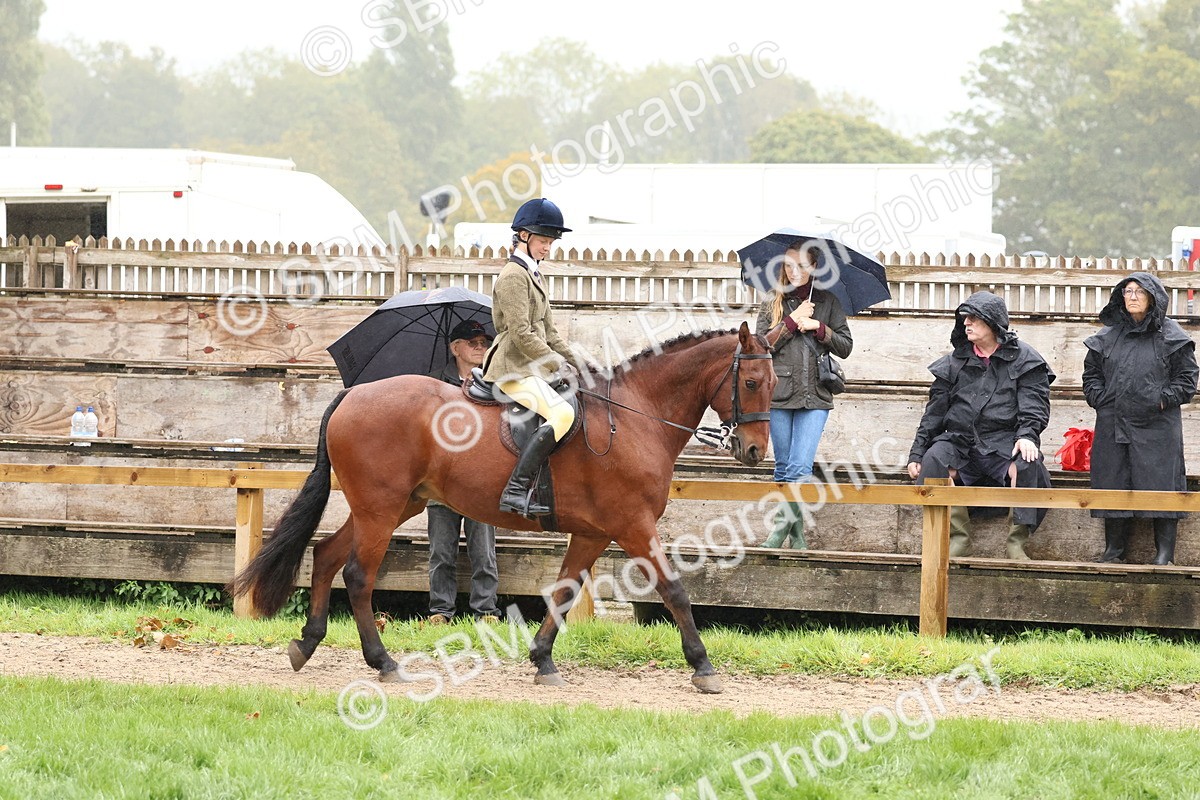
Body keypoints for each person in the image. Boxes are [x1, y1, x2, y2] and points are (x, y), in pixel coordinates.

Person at [906, 291, 1055, 559]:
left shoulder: (1026, 359)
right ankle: (957, 538)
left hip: (1003, 442)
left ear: (993, 322)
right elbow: (934, 413)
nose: (967, 323)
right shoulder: (954, 362)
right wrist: (917, 453)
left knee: (1028, 463)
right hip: (960, 443)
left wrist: (1027, 436)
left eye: (974, 318)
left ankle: (1016, 543)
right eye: (964, 318)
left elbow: (1034, 404)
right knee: (933, 460)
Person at [1083, 272, 1197, 565]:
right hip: (1113, 421)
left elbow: (1186, 380)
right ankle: (1114, 551)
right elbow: (1091, 375)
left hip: (1157, 425)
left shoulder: (1172, 336)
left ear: (1153, 297)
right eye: (1127, 291)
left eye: (1139, 292)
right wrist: (1100, 399)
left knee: (1162, 482)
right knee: (1112, 478)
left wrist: (1161, 400)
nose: (1132, 297)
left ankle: (1164, 554)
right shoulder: (1108, 336)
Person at [483, 197, 580, 518]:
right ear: (523, 236)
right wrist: (555, 364)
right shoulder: (513, 276)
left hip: (530, 366)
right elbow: (522, 334)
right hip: (512, 369)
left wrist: (579, 363)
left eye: (551, 242)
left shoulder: (534, 275)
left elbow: (550, 334)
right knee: (562, 415)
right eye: (542, 241)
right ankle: (515, 490)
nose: (547, 248)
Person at [755, 243, 853, 548]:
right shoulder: (773, 301)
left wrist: (818, 327)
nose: (793, 271)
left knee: (799, 466)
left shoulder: (828, 302)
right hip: (779, 394)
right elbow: (759, 346)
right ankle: (796, 532)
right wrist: (791, 321)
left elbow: (846, 347)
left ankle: (777, 533)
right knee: (783, 467)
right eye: (787, 265)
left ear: (814, 267)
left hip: (815, 396)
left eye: (800, 265)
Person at [426, 318, 501, 623]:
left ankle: (487, 611)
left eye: (484, 343)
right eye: (473, 343)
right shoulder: (433, 385)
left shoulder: (496, 383)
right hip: (440, 482)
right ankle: (440, 612)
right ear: (455, 348)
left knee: (484, 553)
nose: (481, 348)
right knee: (440, 553)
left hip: (480, 481)